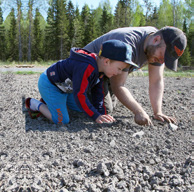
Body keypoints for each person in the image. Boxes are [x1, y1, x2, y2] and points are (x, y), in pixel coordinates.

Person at [84, 26, 187, 126]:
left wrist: (158, 112)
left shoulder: (154, 44)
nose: (162, 61)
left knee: (112, 104)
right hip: (85, 72)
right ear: (156, 40)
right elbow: (118, 86)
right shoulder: (126, 44)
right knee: (105, 109)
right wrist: (139, 111)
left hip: (108, 73)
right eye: (163, 56)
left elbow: (156, 81)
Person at [25, 40, 139, 124]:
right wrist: (95, 116)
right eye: (119, 68)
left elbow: (98, 94)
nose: (119, 73)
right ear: (107, 61)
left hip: (65, 88)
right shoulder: (86, 67)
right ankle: (35, 104)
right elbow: (80, 94)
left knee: (81, 109)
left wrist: (101, 114)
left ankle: (51, 101)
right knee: (62, 120)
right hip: (50, 85)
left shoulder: (100, 71)